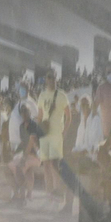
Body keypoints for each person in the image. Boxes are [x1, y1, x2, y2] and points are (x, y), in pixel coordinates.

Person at [35, 72, 72, 211]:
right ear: (46, 80)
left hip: (56, 134)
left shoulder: (62, 95)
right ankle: (49, 193)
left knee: (55, 165)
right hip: (45, 134)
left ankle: (58, 193)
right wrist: (37, 132)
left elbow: (69, 116)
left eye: (53, 78)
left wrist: (65, 131)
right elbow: (39, 116)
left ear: (56, 79)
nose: (51, 80)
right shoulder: (42, 95)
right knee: (46, 165)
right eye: (48, 78)